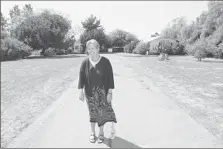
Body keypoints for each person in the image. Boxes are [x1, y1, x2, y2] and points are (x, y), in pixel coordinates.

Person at [78, 39, 117, 144]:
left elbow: (110, 78)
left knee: (102, 113)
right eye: (89, 49)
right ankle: (92, 133)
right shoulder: (85, 63)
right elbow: (81, 78)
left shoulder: (106, 62)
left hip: (102, 93)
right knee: (92, 113)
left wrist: (110, 93)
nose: (91, 51)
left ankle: (101, 133)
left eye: (93, 48)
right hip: (89, 94)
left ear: (98, 49)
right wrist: (80, 91)